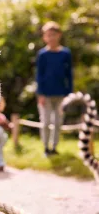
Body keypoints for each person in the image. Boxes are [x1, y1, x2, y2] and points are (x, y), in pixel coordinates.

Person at [36, 21, 73, 156]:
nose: (51, 38)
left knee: (58, 122)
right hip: (45, 94)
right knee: (45, 122)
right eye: (48, 35)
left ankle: (54, 147)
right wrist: (40, 94)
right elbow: (39, 75)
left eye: (54, 35)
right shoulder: (42, 55)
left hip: (61, 94)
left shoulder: (65, 53)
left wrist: (69, 94)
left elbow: (69, 75)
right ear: (44, 37)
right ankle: (46, 147)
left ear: (59, 35)